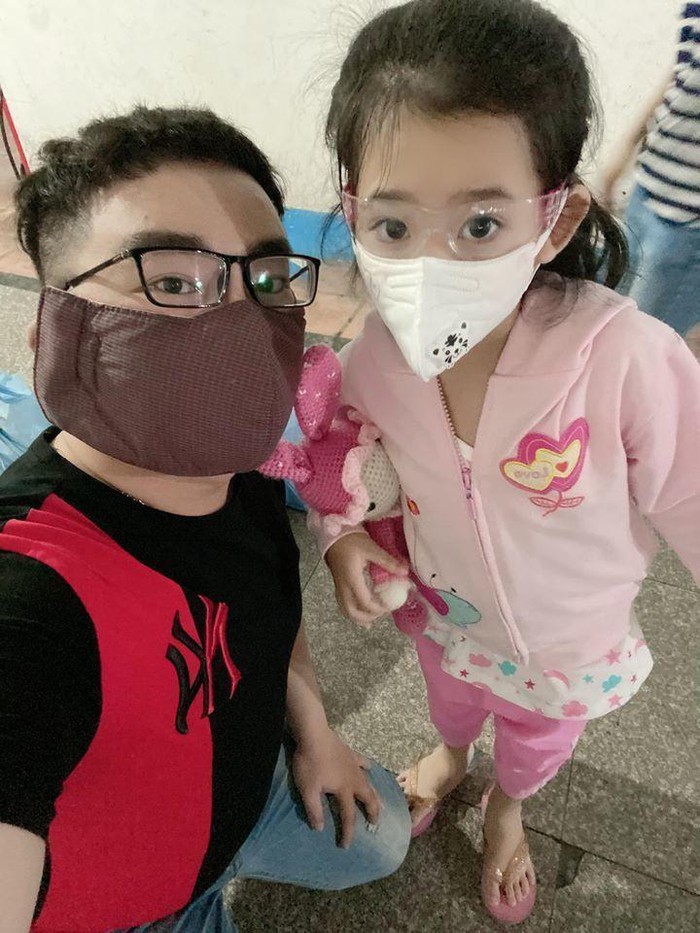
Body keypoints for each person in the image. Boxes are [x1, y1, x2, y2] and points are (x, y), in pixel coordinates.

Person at [316, 0, 700, 924]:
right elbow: (344, 457)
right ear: (353, 211)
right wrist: (341, 538)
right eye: (394, 227)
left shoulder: (626, 360)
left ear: (556, 220)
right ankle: (452, 759)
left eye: (481, 224)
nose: (432, 263)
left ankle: (509, 807)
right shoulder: (372, 359)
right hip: (444, 616)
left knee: (534, 747)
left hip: (565, 649)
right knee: (450, 708)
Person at [0, 106, 410, 933]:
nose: (243, 322)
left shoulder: (242, 474)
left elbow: (267, 611)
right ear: (54, 325)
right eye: (175, 280)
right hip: (126, 907)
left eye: (266, 281)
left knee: (386, 833)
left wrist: (316, 732)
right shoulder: (32, 598)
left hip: (249, 790)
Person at [601, 3, 700, 348]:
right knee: (609, 318)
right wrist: (626, 149)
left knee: (639, 348)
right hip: (650, 184)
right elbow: (680, 74)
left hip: (687, 225)